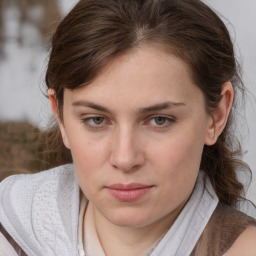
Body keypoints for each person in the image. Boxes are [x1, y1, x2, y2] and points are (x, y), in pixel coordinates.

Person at [0, 0, 256, 255]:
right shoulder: (7, 229)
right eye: (96, 120)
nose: (125, 159)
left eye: (159, 120)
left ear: (216, 115)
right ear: (61, 116)